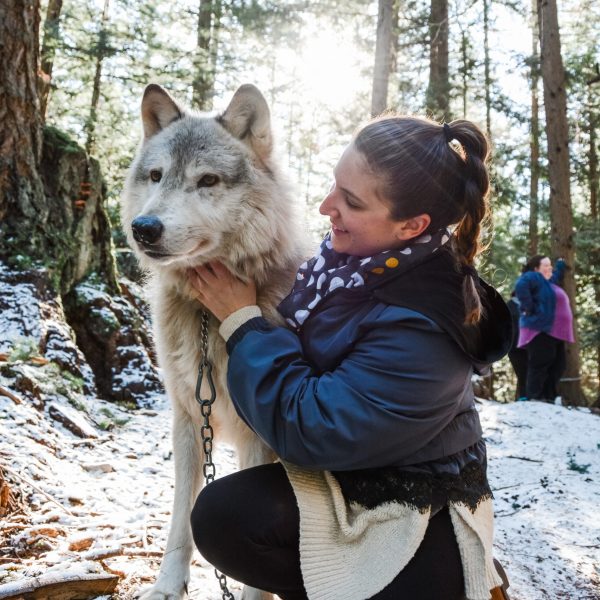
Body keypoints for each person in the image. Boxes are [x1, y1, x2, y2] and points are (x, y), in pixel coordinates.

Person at [187, 116, 512, 600]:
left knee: (230, 519)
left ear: (413, 225)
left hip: (415, 508)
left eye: (351, 202)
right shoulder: (348, 266)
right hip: (354, 476)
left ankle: (442, 577)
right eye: (335, 186)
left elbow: (314, 427)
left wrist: (243, 322)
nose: (326, 208)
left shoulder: (423, 324)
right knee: (225, 515)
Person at [514, 255, 574, 403]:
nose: (550, 268)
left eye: (550, 265)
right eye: (546, 266)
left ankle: (548, 396)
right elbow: (520, 285)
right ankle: (534, 396)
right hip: (539, 328)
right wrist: (529, 307)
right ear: (536, 269)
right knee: (540, 362)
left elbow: (556, 276)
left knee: (559, 364)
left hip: (553, 331)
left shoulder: (547, 281)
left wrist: (560, 265)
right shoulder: (532, 276)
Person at [507, 290, 528, 400]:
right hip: (514, 346)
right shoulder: (508, 306)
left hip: (528, 345)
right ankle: (523, 396)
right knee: (521, 372)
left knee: (529, 370)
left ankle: (527, 395)